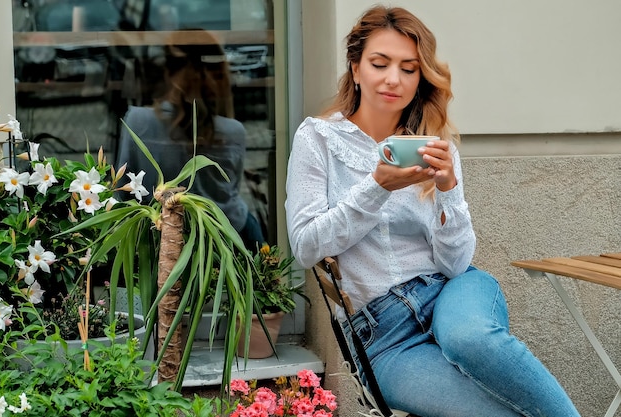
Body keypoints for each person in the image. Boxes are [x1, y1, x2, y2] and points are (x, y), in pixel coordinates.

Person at [285, 5, 580, 417]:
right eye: (380, 63)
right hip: (383, 338)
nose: (394, 79)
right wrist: (376, 188)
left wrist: (447, 190)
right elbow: (305, 246)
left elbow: (457, 264)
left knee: (470, 338)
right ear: (355, 68)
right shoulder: (317, 138)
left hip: (451, 292)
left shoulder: (435, 146)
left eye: (409, 68)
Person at [117, 30, 264, 253]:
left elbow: (122, 192)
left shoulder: (137, 122)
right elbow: (229, 193)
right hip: (226, 240)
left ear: (167, 71)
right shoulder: (233, 131)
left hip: (156, 239)